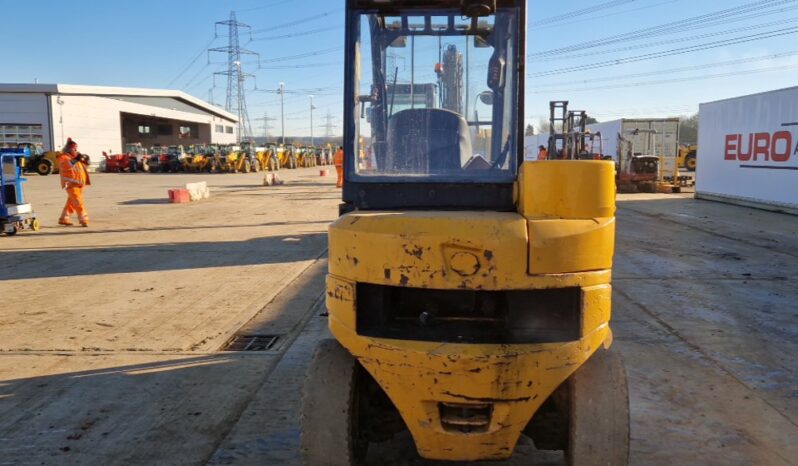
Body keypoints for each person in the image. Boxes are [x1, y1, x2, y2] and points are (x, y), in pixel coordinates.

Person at [57, 138, 91, 227]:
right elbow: (67, 165)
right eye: (74, 148)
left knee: (71, 203)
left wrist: (86, 161)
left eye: (76, 148)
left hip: (79, 184)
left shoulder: (74, 157)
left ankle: (64, 218)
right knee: (78, 202)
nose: (76, 150)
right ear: (69, 149)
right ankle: (84, 220)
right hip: (71, 184)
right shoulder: (63, 157)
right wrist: (77, 159)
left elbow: (82, 168)